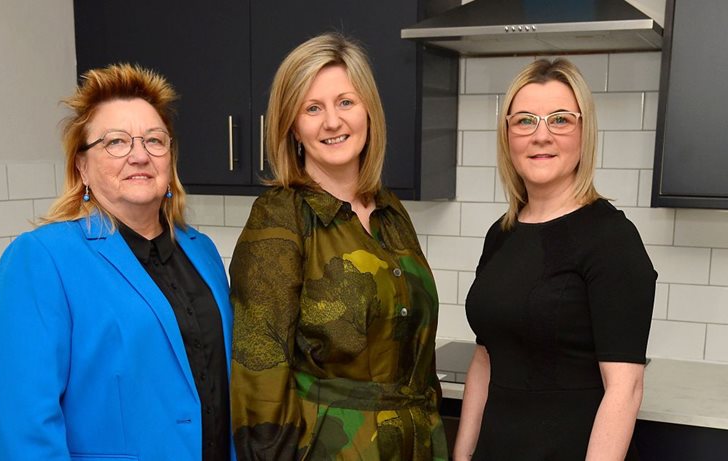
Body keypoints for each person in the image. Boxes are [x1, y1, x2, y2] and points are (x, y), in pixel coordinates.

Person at [0, 63, 235, 460]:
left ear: (169, 159)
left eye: (154, 140)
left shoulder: (201, 251)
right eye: (115, 142)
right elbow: (26, 433)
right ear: (82, 166)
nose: (139, 155)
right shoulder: (41, 259)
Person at [228, 32, 448, 460]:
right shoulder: (281, 216)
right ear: (292, 125)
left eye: (345, 102)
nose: (333, 122)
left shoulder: (391, 211)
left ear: (369, 110)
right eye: (313, 108)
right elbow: (259, 373)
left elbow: (418, 363)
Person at [453, 58, 656, 461]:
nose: (541, 135)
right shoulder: (501, 234)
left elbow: (625, 387)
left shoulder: (612, 238)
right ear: (507, 135)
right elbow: (485, 358)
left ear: (584, 133)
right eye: (525, 120)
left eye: (560, 120)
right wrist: (461, 456)